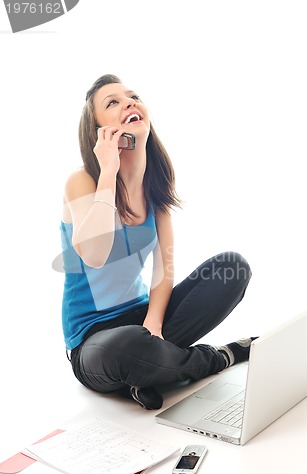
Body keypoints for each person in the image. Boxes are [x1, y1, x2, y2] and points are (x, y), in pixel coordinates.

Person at [60, 74, 254, 410]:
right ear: (98, 132)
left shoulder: (155, 187)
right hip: (93, 342)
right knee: (122, 347)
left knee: (233, 268)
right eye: (113, 103)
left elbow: (164, 270)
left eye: (132, 96)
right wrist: (108, 170)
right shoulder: (83, 181)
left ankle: (147, 372)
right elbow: (94, 254)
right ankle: (217, 358)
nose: (129, 103)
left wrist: (154, 323)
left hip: (141, 321)